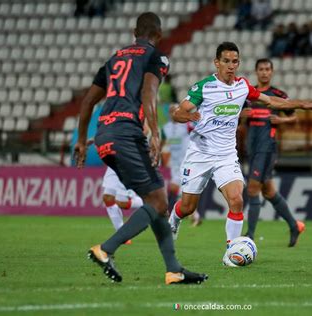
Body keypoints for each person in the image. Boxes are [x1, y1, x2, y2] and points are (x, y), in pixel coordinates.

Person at [74, 12, 207, 285]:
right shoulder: (155, 56)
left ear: (134, 31)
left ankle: (173, 270)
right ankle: (105, 249)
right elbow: (149, 94)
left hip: (104, 136)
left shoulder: (114, 59)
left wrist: (79, 140)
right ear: (158, 35)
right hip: (127, 134)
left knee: (157, 200)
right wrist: (156, 134)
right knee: (158, 201)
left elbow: (87, 102)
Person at [167, 42, 312, 265]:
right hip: (200, 154)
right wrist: (189, 116)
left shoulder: (243, 86)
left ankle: (230, 253)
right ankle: (174, 218)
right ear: (216, 62)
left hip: (226, 156)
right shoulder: (204, 87)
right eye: (227, 61)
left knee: (237, 200)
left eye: (235, 62)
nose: (231, 66)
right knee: (188, 207)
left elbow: (271, 100)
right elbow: (178, 113)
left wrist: (301, 104)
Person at [241, 58, 304, 247]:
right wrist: (243, 115)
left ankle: (249, 236)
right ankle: (294, 225)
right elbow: (237, 116)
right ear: (256, 71)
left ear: (272, 72)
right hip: (252, 148)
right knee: (268, 191)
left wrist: (282, 121)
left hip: (267, 148)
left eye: (267, 69)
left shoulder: (278, 95)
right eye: (261, 69)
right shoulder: (248, 95)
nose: (264, 72)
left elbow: (295, 117)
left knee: (252, 189)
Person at [161, 116, 201, 226]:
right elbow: (164, 143)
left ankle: (170, 215)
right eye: (171, 111)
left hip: (186, 161)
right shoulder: (166, 128)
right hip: (175, 163)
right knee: (176, 189)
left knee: (178, 188)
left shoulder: (187, 125)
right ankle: (194, 215)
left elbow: (197, 132)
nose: (173, 112)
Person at [101, 166, 144, 244]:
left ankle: (152, 203)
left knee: (122, 203)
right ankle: (123, 236)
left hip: (127, 161)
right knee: (107, 198)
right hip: (112, 162)